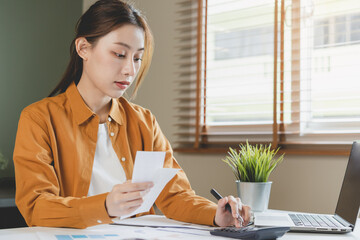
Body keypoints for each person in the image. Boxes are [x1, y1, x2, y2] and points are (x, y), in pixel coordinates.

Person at [13, 0, 250, 229]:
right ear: (83, 48)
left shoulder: (144, 121)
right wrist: (105, 206)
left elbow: (175, 196)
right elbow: (36, 206)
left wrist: (216, 215)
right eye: (119, 54)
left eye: (137, 58)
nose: (130, 70)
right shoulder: (39, 118)